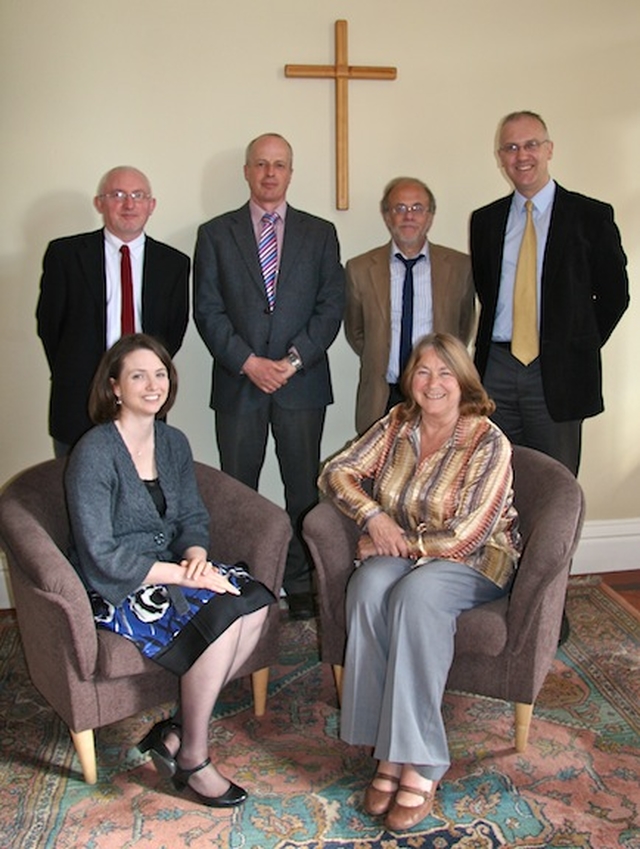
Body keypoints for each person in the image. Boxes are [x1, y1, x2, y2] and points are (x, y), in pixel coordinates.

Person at [318, 333, 521, 832]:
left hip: (473, 560)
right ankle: (387, 749)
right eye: (423, 372)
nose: (433, 383)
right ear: (410, 379)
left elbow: (470, 531)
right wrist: (373, 519)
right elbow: (338, 472)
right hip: (405, 545)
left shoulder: (488, 439)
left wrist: (400, 543)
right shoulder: (397, 423)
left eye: (445, 372)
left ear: (464, 381)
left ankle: (423, 762)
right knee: (367, 586)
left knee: (414, 594)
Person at [65, 333, 276, 808]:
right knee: (222, 620)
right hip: (119, 583)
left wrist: (197, 555)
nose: (152, 384)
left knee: (255, 603)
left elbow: (192, 518)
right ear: (114, 387)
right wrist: (182, 576)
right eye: (138, 375)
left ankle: (177, 731)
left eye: (160, 374)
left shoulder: (173, 442)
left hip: (175, 567)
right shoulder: (94, 452)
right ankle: (194, 759)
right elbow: (101, 554)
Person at [193, 133, 345, 621]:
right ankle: (243, 580)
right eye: (261, 163)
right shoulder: (216, 233)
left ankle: (301, 581)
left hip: (301, 386)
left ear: (291, 173)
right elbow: (208, 309)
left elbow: (330, 307)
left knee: (302, 489)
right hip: (240, 384)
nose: (270, 173)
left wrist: (293, 361)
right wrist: (248, 362)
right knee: (240, 491)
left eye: (280, 164)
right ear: (247, 170)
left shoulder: (320, 234)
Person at [470, 111, 629, 476]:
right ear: (500, 157)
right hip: (497, 369)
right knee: (493, 481)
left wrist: (575, 345)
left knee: (555, 485)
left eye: (530, 145)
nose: (521, 156)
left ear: (549, 150)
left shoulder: (589, 215)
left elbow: (614, 295)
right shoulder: (485, 221)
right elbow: (487, 291)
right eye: (510, 148)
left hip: (557, 373)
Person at [37, 166, 190, 457]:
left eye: (138, 195)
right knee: (77, 489)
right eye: (117, 194)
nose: (129, 204)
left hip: (146, 398)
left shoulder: (174, 264)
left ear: (151, 205)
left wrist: (140, 375)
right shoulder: (65, 256)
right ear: (100, 203)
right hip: (79, 399)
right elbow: (49, 327)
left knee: (140, 490)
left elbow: (173, 332)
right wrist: (80, 371)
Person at [345, 177, 476, 435]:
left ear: (430, 216)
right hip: (384, 396)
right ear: (386, 216)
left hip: (437, 394)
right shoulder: (359, 269)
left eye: (417, 208)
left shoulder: (460, 268)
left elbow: (463, 328)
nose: (409, 216)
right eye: (399, 208)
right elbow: (356, 332)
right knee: (381, 472)